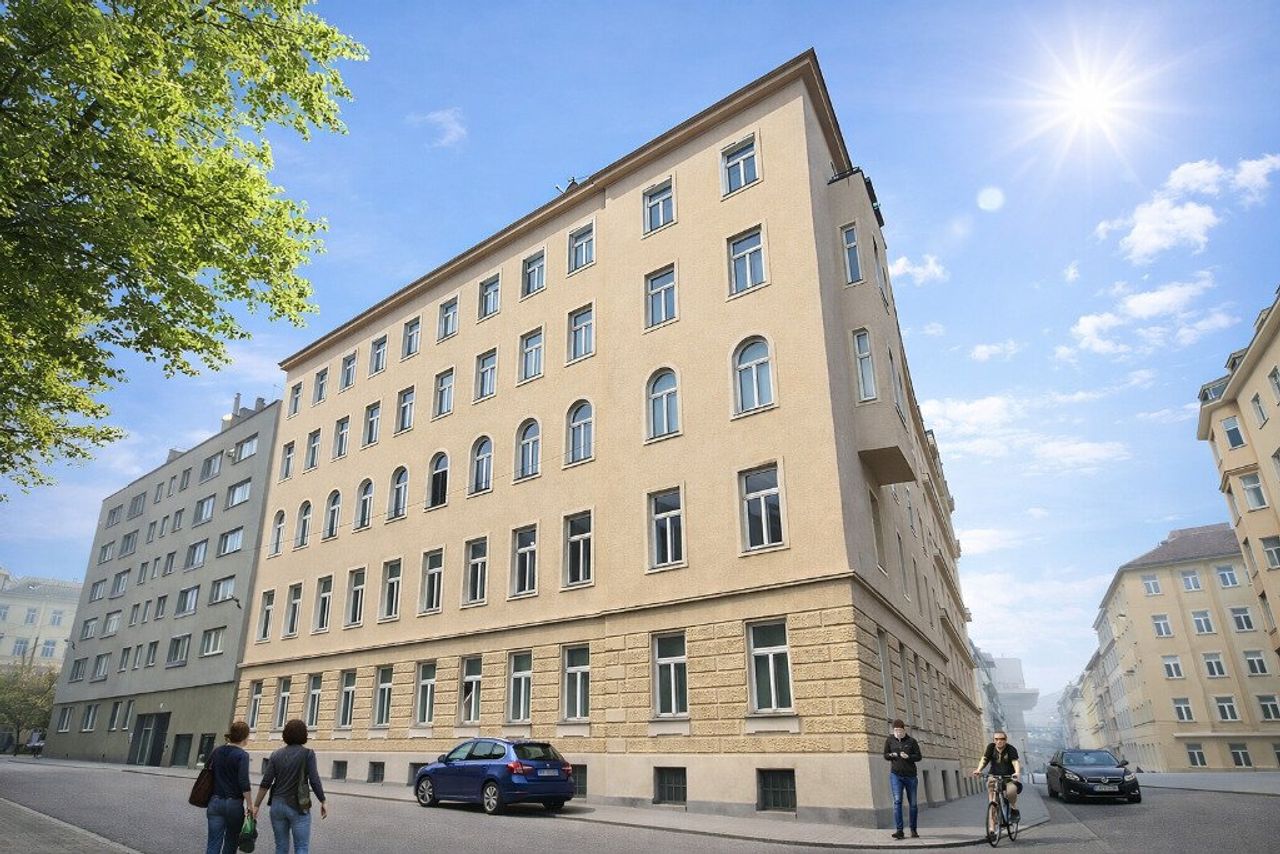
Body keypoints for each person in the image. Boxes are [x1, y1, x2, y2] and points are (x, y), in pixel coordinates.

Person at [253, 719, 328, 854]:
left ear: (285, 734)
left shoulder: (275, 755)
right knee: (301, 847)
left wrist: (256, 805)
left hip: (277, 805)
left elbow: (266, 783)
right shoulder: (308, 754)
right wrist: (323, 800)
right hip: (298, 806)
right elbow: (314, 780)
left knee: (281, 847)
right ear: (304, 734)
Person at [206, 721, 254, 854]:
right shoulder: (242, 755)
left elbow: (208, 769)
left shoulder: (217, 751)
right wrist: (250, 805)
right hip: (234, 804)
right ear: (244, 737)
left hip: (215, 801)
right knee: (231, 842)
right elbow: (244, 782)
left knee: (213, 842)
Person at [973, 729, 1023, 834]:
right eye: (996, 739)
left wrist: (1017, 772)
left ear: (1006, 740)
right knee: (992, 802)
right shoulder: (991, 747)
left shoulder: (1010, 749)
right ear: (994, 740)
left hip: (1008, 777)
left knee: (1011, 791)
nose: (999, 741)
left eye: (1002, 739)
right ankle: (992, 828)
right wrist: (979, 770)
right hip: (994, 776)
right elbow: (984, 759)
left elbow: (1015, 762)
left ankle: (1013, 808)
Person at [882, 718, 922, 840]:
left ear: (904, 730)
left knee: (913, 804)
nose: (898, 732)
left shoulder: (911, 741)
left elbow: (919, 757)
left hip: (911, 776)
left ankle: (913, 830)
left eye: (899, 730)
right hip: (896, 775)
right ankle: (899, 831)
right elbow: (885, 755)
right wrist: (891, 755)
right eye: (895, 730)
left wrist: (908, 757)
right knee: (897, 801)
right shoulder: (889, 740)